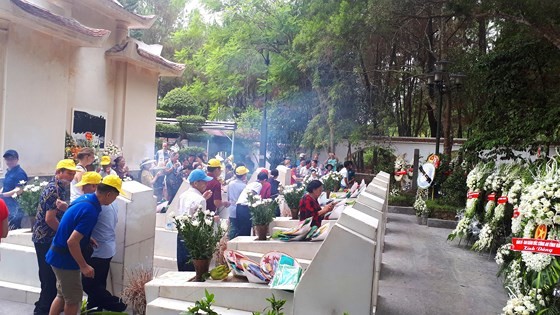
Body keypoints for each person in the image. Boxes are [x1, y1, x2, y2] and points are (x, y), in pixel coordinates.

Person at [46, 175, 123, 315]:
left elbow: (73, 224)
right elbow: (72, 241)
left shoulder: (85, 199)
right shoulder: (91, 210)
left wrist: (87, 237)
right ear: (108, 194)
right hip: (66, 261)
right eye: (115, 197)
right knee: (73, 300)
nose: (114, 200)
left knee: (62, 296)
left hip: (57, 255)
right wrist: (84, 266)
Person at [74, 173, 126, 312]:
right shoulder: (112, 203)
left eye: (85, 187)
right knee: (99, 284)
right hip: (107, 249)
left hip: (97, 250)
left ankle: (117, 305)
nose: (83, 190)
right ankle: (94, 310)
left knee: (89, 285)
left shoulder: (99, 206)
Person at [32, 159, 77, 315]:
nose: (71, 176)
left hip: (46, 238)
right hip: (45, 238)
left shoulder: (61, 187)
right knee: (49, 279)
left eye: (73, 173)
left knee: (48, 278)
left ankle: (43, 306)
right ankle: (42, 311)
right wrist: (64, 234)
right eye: (68, 173)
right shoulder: (53, 189)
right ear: (59, 172)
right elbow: (50, 219)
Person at [176, 169, 213, 271]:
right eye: (204, 181)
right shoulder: (200, 199)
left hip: (181, 233)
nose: (206, 184)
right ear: (196, 183)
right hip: (193, 235)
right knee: (193, 267)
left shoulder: (183, 195)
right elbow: (200, 221)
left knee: (182, 265)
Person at [1, 149, 28, 229]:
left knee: (11, 229)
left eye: (12, 159)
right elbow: (6, 186)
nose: (9, 161)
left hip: (15, 208)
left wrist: (2, 195)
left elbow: (19, 190)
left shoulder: (20, 173)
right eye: (7, 159)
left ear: (17, 159)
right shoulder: (9, 172)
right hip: (7, 206)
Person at [226, 166, 248, 238]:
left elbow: (228, 196)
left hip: (231, 207)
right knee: (239, 228)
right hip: (240, 209)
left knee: (232, 227)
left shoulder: (231, 183)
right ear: (243, 176)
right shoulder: (244, 186)